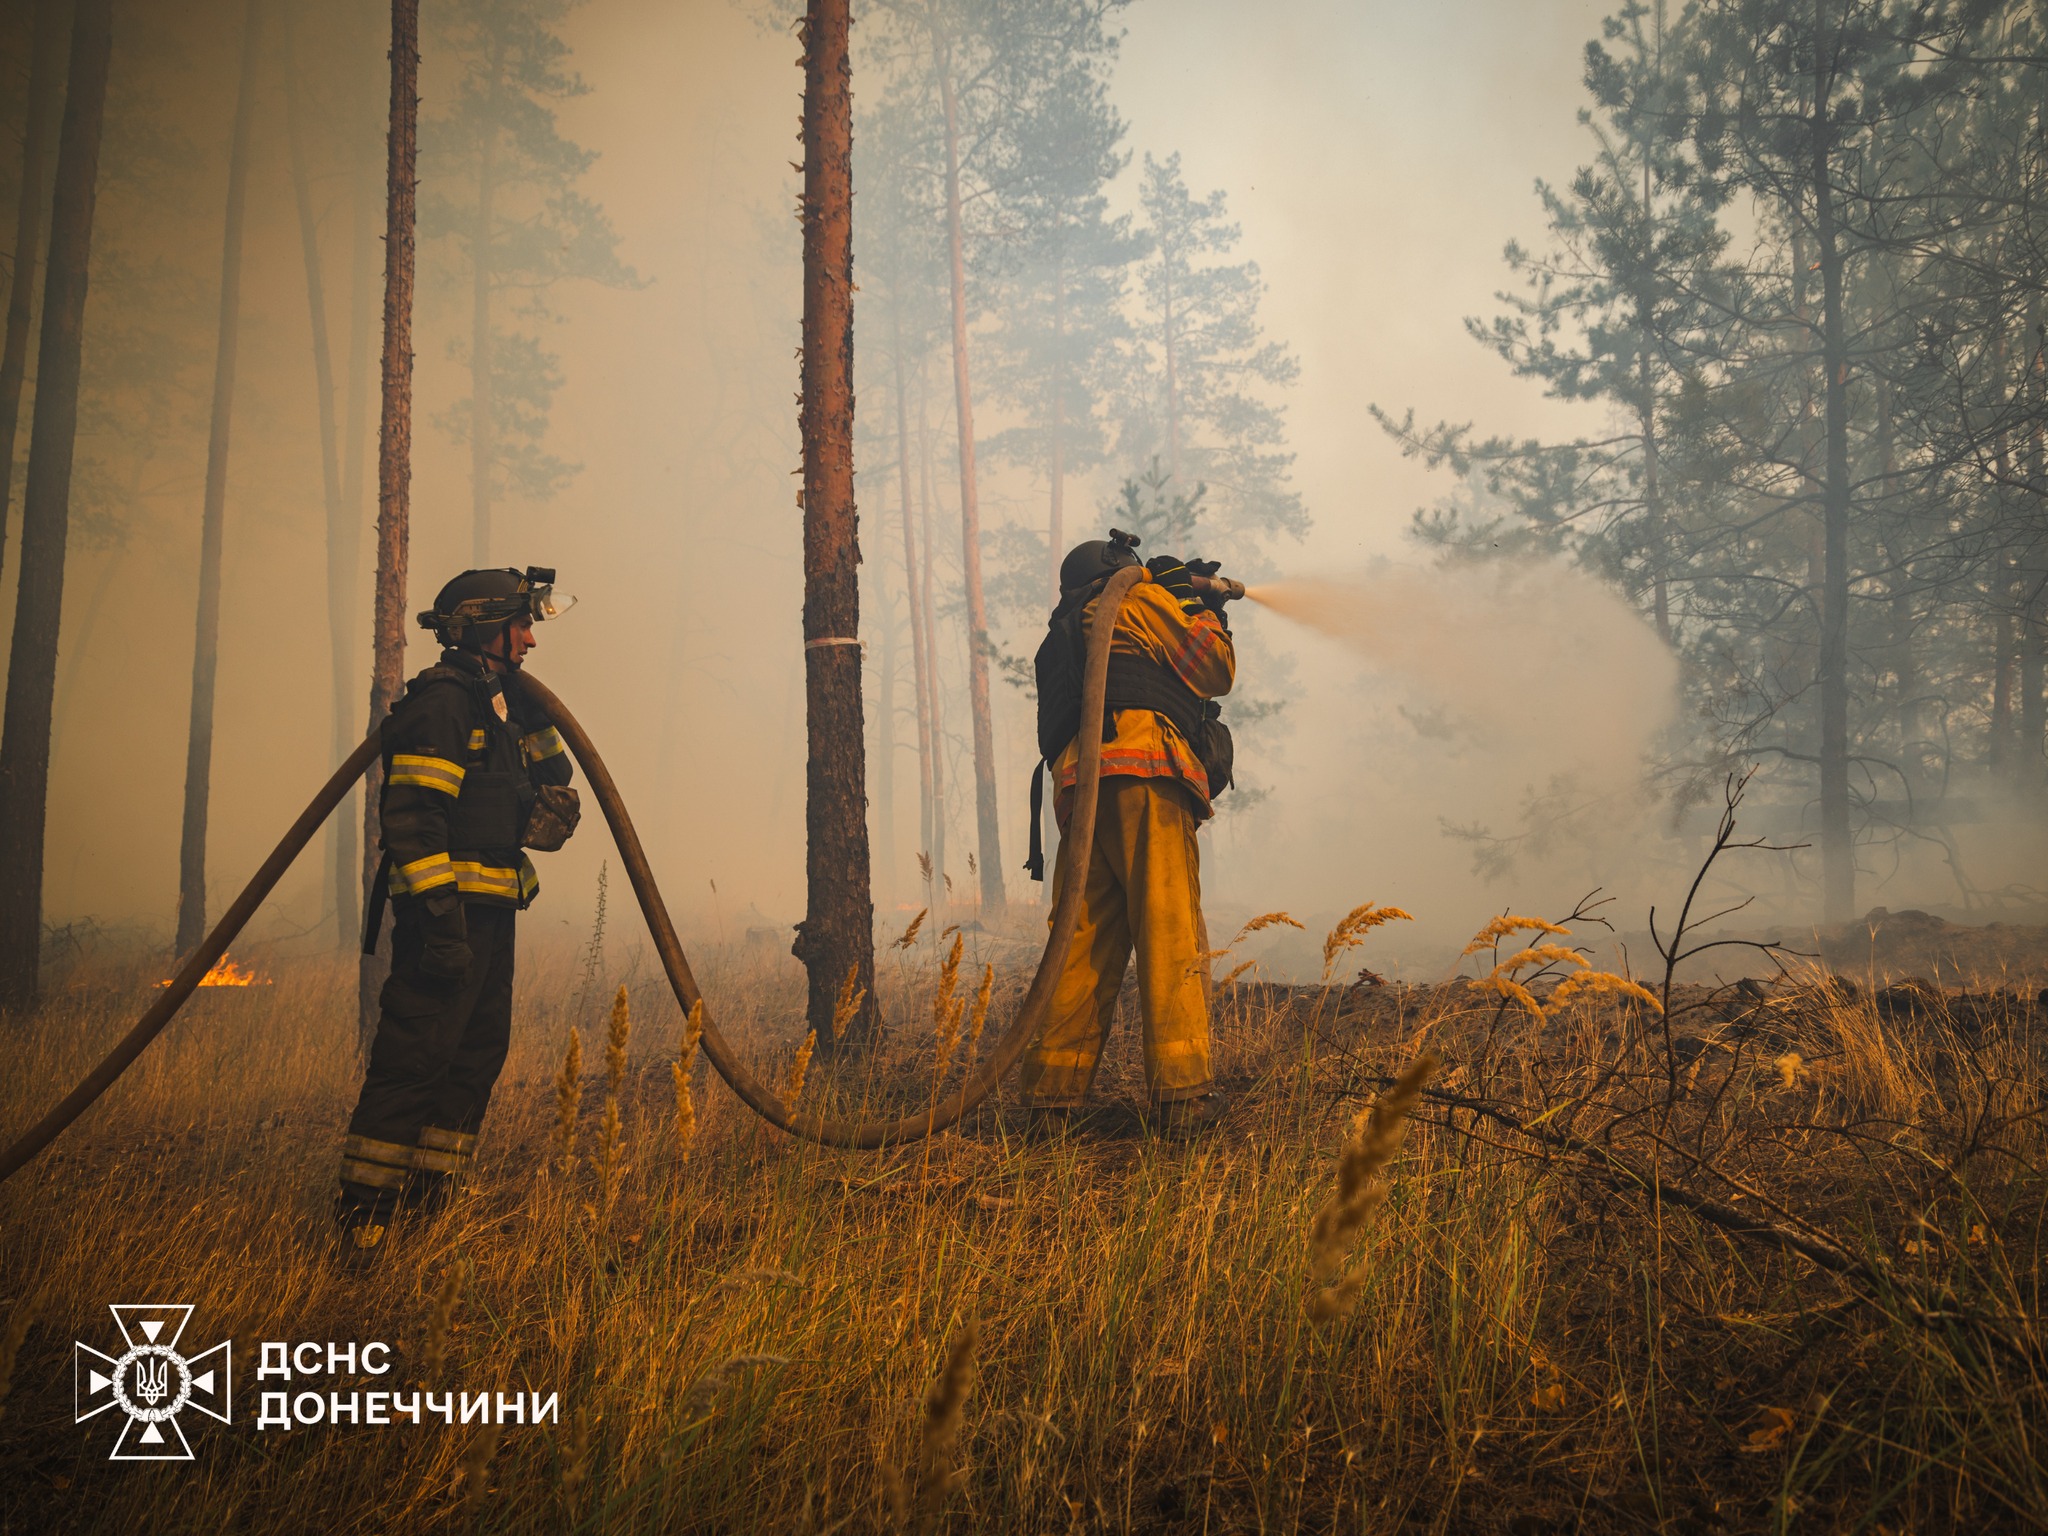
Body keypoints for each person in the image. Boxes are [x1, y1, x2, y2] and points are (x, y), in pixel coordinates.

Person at [336, 566, 580, 1256]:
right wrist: (441, 928)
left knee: (474, 1056)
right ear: (484, 630)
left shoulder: (496, 704)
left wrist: (533, 718)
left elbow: (553, 784)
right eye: (521, 625)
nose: (531, 640)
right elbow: (413, 822)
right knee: (415, 1060)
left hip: (491, 916)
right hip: (444, 923)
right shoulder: (442, 706)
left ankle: (427, 1209)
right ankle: (364, 1225)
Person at [1024, 531, 1236, 1134]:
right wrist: (1196, 604)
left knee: (1081, 941)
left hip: (1082, 792)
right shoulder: (1136, 599)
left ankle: (1051, 1104)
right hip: (1146, 773)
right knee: (1168, 925)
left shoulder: (1065, 633)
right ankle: (1183, 1095)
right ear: (1122, 570)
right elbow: (1214, 671)